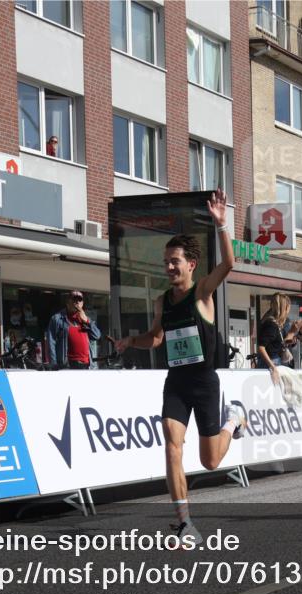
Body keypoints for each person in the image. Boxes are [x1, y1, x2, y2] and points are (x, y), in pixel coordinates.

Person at [116, 189, 246, 541]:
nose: (169, 267)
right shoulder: (162, 302)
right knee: (172, 446)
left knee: (211, 462)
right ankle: (185, 523)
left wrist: (222, 225)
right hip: (176, 381)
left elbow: (229, 265)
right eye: (165, 262)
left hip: (204, 382)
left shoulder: (202, 292)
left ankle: (233, 419)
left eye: (175, 261)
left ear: (190, 265)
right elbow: (156, 338)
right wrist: (132, 341)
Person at [47, 290, 101, 369]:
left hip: (87, 365)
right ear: (67, 303)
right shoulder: (57, 319)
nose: (77, 302)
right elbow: (51, 342)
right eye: (74, 299)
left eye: (79, 300)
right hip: (67, 365)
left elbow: (97, 336)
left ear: (82, 304)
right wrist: (54, 364)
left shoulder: (85, 319)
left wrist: (87, 321)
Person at [256, 293, 302, 384]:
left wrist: (294, 334)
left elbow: (275, 345)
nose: (288, 311)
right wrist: (273, 367)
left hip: (273, 363)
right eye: (288, 307)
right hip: (270, 364)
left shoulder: (274, 323)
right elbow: (261, 347)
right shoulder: (271, 324)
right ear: (284, 308)